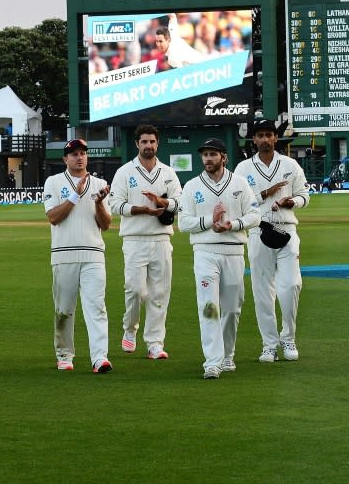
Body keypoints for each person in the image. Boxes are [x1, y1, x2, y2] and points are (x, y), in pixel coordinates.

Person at [178, 139, 260, 379]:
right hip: (204, 252)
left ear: (223, 157)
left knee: (232, 309)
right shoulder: (192, 186)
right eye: (205, 155)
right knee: (209, 307)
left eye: (213, 154)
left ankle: (227, 355)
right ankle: (212, 361)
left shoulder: (240, 183)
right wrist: (208, 222)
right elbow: (183, 223)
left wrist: (232, 225)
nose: (208, 159)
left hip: (233, 251)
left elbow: (255, 214)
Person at [234, 119, 311, 363]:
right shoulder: (244, 169)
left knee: (291, 285)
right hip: (258, 231)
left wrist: (293, 202)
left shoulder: (290, 164)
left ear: (275, 138)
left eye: (269, 135)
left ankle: (288, 338)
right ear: (254, 139)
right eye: (260, 135)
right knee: (262, 292)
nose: (265, 139)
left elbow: (304, 195)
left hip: (287, 230)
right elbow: (237, 202)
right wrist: (266, 193)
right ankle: (269, 345)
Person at [108, 125, 182, 360]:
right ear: (137, 144)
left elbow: (180, 202)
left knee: (160, 293)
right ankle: (130, 329)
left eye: (152, 142)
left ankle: (154, 343)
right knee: (136, 290)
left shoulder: (168, 172)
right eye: (144, 142)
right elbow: (114, 205)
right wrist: (140, 209)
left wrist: (162, 202)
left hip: (161, 238)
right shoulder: (124, 172)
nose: (148, 146)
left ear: (157, 144)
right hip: (134, 238)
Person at [43, 139, 113, 373]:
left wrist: (100, 203)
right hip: (64, 255)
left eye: (82, 153)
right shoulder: (53, 182)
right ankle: (64, 354)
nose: (79, 157)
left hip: (93, 253)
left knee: (96, 307)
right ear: (65, 159)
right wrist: (75, 195)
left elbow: (106, 224)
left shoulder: (100, 184)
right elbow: (53, 217)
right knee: (64, 309)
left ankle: (100, 357)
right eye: (73, 154)